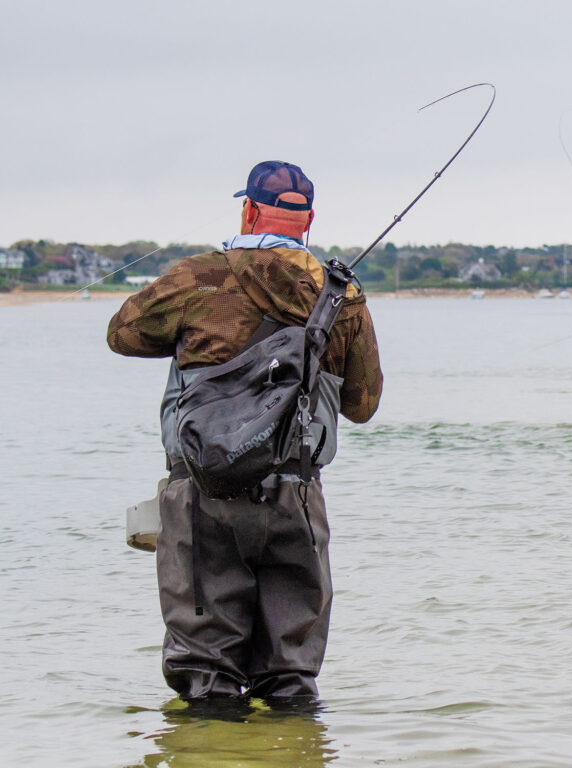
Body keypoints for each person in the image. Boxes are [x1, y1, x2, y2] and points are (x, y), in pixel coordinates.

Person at [107, 161, 383, 702]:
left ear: (249, 209)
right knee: (291, 679)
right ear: (307, 220)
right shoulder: (342, 297)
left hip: (201, 494)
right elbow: (362, 405)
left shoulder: (199, 276)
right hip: (296, 497)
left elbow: (122, 334)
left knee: (205, 677)